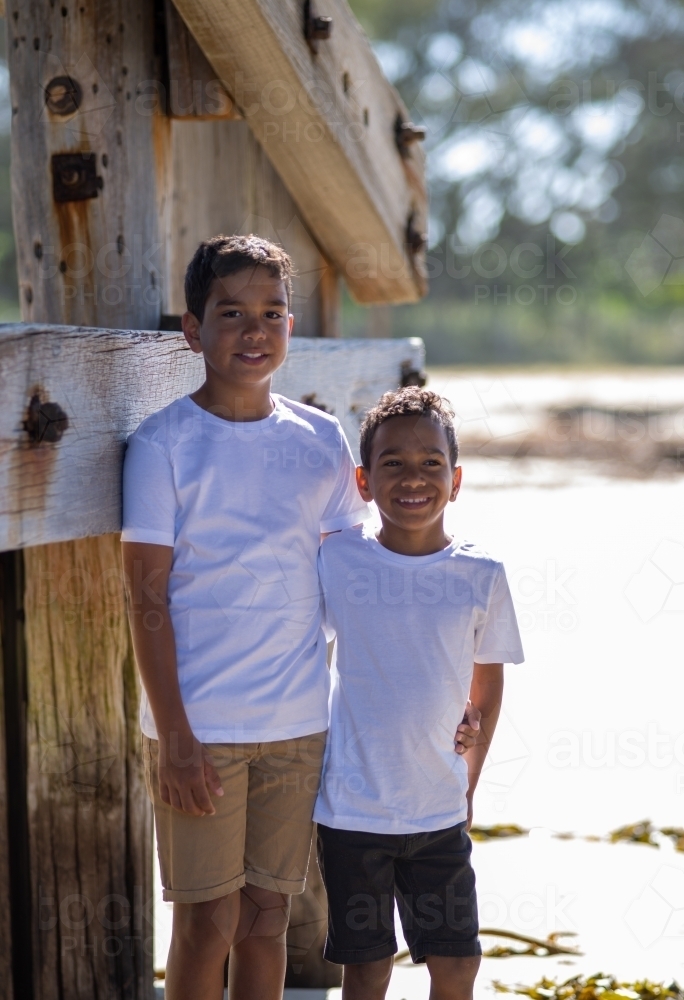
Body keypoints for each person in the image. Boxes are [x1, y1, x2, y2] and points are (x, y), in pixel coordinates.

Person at [120, 236, 477, 1000]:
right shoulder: (162, 445)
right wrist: (175, 735)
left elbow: (363, 582)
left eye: (272, 313)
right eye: (231, 313)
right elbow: (144, 599)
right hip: (200, 731)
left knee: (265, 918)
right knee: (205, 922)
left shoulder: (319, 441)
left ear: (289, 326)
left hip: (296, 727)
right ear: (192, 329)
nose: (254, 331)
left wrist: (444, 701)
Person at [314, 387, 525, 1000]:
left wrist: (468, 785)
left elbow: (487, 683)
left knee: (457, 965)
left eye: (431, 463)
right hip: (352, 813)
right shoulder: (340, 560)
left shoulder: (481, 575)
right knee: (368, 968)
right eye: (393, 464)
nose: (414, 478)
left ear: (456, 479)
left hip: (437, 811)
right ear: (363, 479)